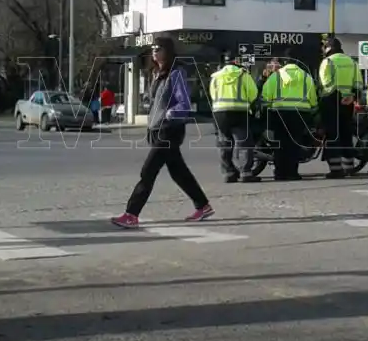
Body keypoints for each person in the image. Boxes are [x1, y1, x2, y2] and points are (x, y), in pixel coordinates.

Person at [111, 37, 213, 228]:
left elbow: (184, 104)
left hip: (169, 130)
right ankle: (203, 205)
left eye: (159, 49)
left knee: (148, 172)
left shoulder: (176, 73)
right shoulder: (158, 74)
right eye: (153, 49)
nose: (155, 53)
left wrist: (169, 113)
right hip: (157, 129)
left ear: (168, 51)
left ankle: (131, 214)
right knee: (178, 172)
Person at [260, 57, 317, 181]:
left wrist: (268, 107)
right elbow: (313, 99)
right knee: (295, 143)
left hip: (279, 114)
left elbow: (265, 96)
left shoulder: (276, 76)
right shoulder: (306, 77)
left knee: (280, 144)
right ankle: (293, 172)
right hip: (300, 114)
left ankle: (280, 173)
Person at [210, 56, 259, 183]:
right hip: (239, 112)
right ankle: (245, 172)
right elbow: (253, 93)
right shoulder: (243, 75)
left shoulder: (215, 77)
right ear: (236, 62)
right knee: (243, 142)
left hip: (219, 112)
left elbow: (212, 94)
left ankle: (228, 173)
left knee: (224, 142)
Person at [318, 37, 360, 178]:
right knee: (346, 134)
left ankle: (336, 170)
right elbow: (358, 83)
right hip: (347, 104)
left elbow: (326, 84)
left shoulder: (328, 62)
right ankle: (349, 167)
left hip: (331, 102)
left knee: (332, 135)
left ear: (328, 48)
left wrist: (335, 95)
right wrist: (352, 96)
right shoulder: (352, 62)